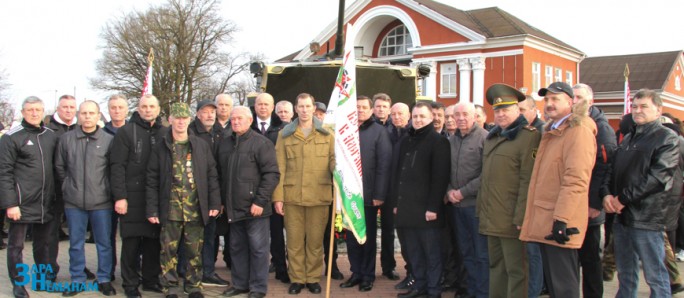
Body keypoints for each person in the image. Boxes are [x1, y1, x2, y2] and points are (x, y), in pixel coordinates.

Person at [520, 82, 597, 297]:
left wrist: (562, 219)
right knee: (555, 287)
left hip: (559, 222)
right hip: (546, 218)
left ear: (571, 102)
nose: (550, 104)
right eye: (547, 99)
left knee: (564, 287)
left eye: (556, 99)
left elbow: (576, 180)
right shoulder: (553, 131)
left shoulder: (577, 132)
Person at [601, 89, 678, 297]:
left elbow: (657, 178)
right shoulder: (628, 138)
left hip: (647, 218)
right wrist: (607, 194)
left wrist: (622, 199)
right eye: (634, 106)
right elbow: (612, 169)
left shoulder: (667, 138)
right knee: (625, 273)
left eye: (643, 106)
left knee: (655, 275)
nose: (637, 111)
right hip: (622, 217)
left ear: (658, 109)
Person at [146, 102, 221, 298]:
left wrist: (214, 203)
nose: (180, 122)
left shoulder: (200, 145)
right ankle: (169, 287)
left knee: (194, 251)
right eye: (177, 118)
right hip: (169, 209)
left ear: (189, 120)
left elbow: (211, 175)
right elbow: (152, 179)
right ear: (170, 120)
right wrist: (152, 210)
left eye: (184, 118)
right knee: (168, 251)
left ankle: (194, 286)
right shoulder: (162, 146)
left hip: (195, 208)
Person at [478, 84, 541, 298]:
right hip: (491, 216)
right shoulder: (492, 137)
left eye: (506, 109)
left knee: (517, 270)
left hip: (512, 218)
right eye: (497, 110)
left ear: (517, 110)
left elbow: (528, 180)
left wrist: (521, 215)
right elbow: (487, 179)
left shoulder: (528, 137)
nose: (501, 114)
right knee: (496, 266)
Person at [273, 93, 335, 295]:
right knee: (294, 242)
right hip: (293, 197)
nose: (305, 110)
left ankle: (313, 278)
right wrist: (278, 197)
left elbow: (333, 160)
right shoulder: (285, 135)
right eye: (301, 106)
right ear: (296, 109)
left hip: (319, 196)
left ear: (313, 108)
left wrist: (339, 170)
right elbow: (279, 168)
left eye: (308, 106)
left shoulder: (327, 134)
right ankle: (298, 279)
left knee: (316, 242)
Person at [55, 100, 116, 296]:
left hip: (101, 202)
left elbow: (112, 169)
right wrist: (67, 187)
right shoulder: (67, 139)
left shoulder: (108, 140)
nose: (87, 117)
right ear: (78, 115)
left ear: (98, 115)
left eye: (91, 113)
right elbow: (59, 167)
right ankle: (77, 279)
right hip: (74, 202)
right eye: (84, 113)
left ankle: (104, 278)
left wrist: (107, 191)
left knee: (104, 243)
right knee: (75, 243)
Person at [391, 101, 450, 298]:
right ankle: (419, 286)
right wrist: (397, 205)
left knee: (431, 254)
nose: (418, 120)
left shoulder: (438, 141)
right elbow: (400, 174)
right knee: (414, 253)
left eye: (422, 116)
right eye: (415, 116)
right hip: (408, 209)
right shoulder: (408, 140)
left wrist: (433, 207)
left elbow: (440, 178)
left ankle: (433, 290)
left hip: (427, 211)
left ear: (431, 118)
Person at [219, 106, 280, 298]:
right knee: (237, 248)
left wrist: (260, 201)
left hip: (255, 209)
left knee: (258, 250)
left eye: (240, 118)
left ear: (250, 120)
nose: (235, 121)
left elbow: (272, 174)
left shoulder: (261, 143)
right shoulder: (225, 143)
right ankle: (240, 284)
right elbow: (220, 175)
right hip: (233, 208)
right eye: (233, 119)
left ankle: (258, 288)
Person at [0, 96, 58, 298]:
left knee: (43, 245)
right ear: (23, 112)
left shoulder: (51, 135)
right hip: (21, 203)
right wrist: (10, 203)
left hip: (45, 202)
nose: (34, 113)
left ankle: (42, 281)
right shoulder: (11, 137)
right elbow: (4, 172)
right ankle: (18, 284)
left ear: (43, 112)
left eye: (38, 110)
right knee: (16, 247)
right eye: (30, 110)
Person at [110, 94, 166, 297]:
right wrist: (120, 197)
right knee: (131, 243)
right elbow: (117, 167)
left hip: (156, 197)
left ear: (158, 109)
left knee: (153, 241)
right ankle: (130, 284)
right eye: (144, 106)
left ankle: (151, 280)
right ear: (138, 109)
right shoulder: (125, 132)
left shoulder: (165, 132)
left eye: (152, 106)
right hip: (132, 197)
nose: (148, 110)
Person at [340, 96, 392, 292]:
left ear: (371, 110)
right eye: (357, 107)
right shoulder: (345, 131)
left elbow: (384, 165)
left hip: (369, 196)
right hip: (349, 194)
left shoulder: (380, 132)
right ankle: (356, 272)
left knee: (367, 237)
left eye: (364, 107)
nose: (360, 110)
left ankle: (368, 275)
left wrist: (379, 194)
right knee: (352, 236)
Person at [573, 83, 617, 298]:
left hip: (590, 207)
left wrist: (594, 203)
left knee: (591, 260)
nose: (575, 101)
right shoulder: (572, 123)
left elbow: (604, 166)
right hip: (573, 204)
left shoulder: (601, 128)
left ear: (591, 101)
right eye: (572, 97)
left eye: (579, 97)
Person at [446, 102, 489, 298]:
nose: (461, 118)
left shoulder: (485, 139)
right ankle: (471, 290)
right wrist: (449, 191)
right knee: (466, 252)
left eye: (465, 114)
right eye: (458, 115)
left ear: (474, 116)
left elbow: (486, 174)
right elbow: (445, 170)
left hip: (475, 206)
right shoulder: (451, 140)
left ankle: (482, 292)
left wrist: (462, 192)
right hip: (456, 206)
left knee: (480, 253)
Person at [184, 100, 228, 287]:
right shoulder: (190, 132)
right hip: (191, 193)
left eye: (213, 111)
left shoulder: (221, 133)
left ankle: (208, 271)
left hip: (213, 191)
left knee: (210, 235)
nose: (210, 115)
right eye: (205, 111)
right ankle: (186, 272)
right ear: (198, 114)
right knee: (189, 236)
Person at [249, 93, 289, 284]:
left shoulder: (284, 128)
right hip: (251, 189)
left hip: (276, 186)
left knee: (276, 230)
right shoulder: (247, 126)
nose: (263, 107)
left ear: (272, 107)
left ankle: (281, 268)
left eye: (266, 104)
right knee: (254, 234)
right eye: (259, 104)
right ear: (255, 106)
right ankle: (253, 271)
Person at [46, 95, 78, 275]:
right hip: (54, 190)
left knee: (77, 233)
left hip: (78, 190)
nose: (68, 110)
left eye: (71, 107)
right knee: (51, 234)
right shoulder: (48, 131)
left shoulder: (81, 128)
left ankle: (79, 267)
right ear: (58, 108)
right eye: (64, 107)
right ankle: (50, 269)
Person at [103, 94, 129, 281]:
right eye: (113, 107)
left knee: (131, 237)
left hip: (129, 193)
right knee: (107, 236)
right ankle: (108, 270)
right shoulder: (100, 133)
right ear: (108, 110)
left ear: (127, 109)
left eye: (120, 107)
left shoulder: (133, 131)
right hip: (105, 193)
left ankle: (131, 271)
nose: (117, 111)